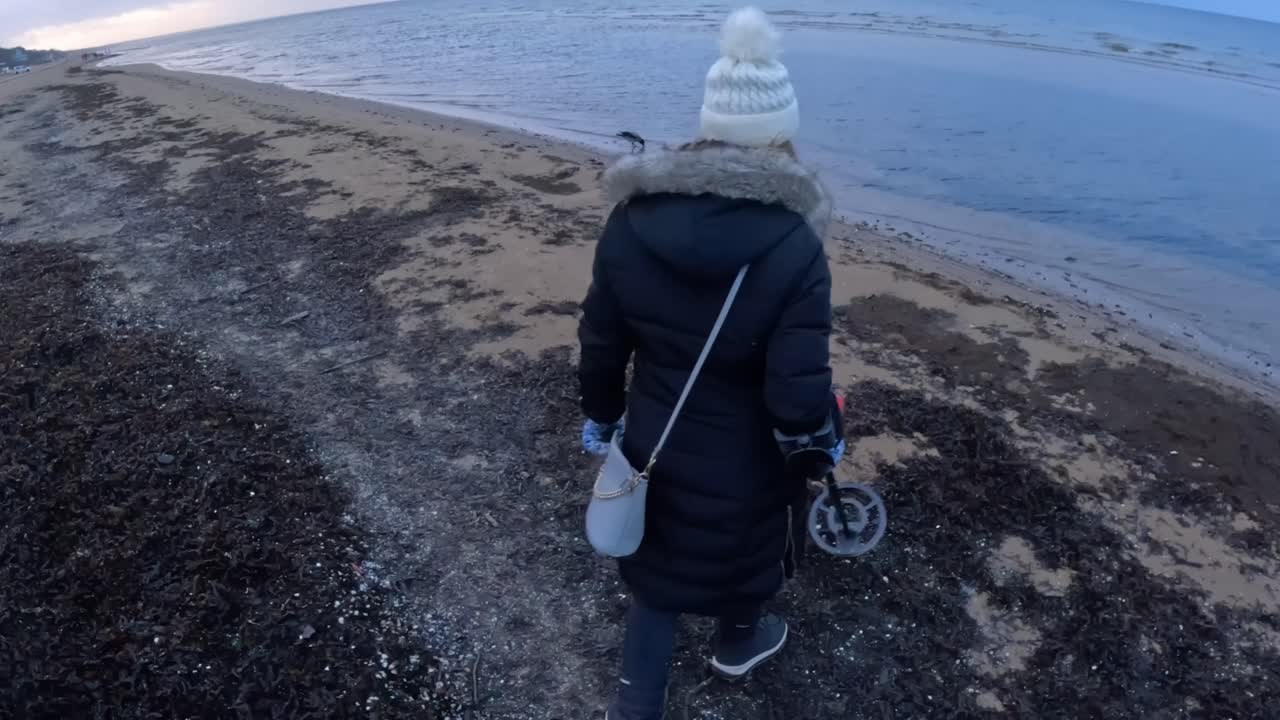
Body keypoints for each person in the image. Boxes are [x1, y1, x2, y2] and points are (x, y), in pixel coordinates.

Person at [576, 7, 844, 719]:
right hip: (746, 453)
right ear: (781, 133)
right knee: (750, 540)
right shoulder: (795, 244)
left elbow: (602, 339)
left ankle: (637, 700)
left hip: (653, 435)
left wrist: (601, 415)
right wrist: (821, 440)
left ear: (709, 125)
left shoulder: (631, 220)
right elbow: (796, 396)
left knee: (658, 566)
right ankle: (739, 639)